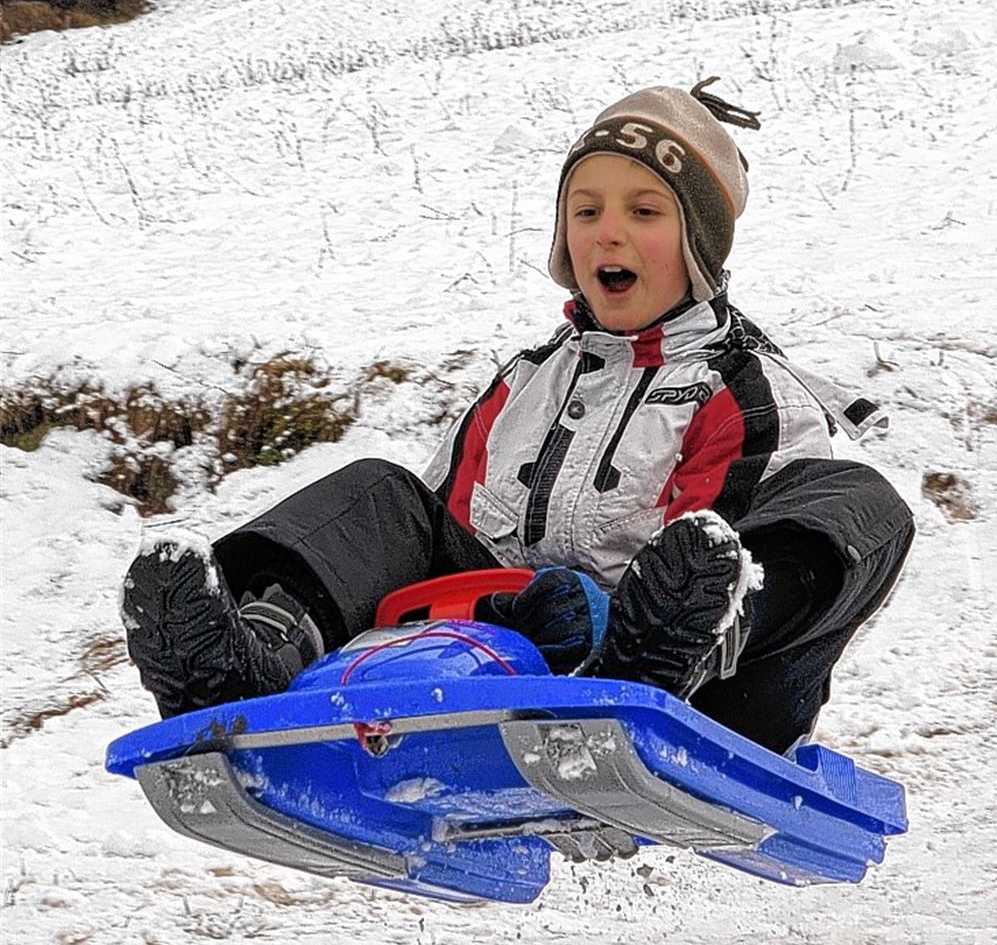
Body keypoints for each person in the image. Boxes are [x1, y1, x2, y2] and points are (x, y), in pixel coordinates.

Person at [121, 81, 914, 755]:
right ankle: (245, 658)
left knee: (860, 501)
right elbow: (435, 549)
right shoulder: (525, 383)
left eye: (645, 211)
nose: (608, 229)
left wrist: (617, 626)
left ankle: (654, 665)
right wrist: (516, 613)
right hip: (510, 667)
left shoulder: (741, 389)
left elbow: (712, 550)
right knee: (383, 495)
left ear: (700, 243)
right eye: (586, 209)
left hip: (705, 697)